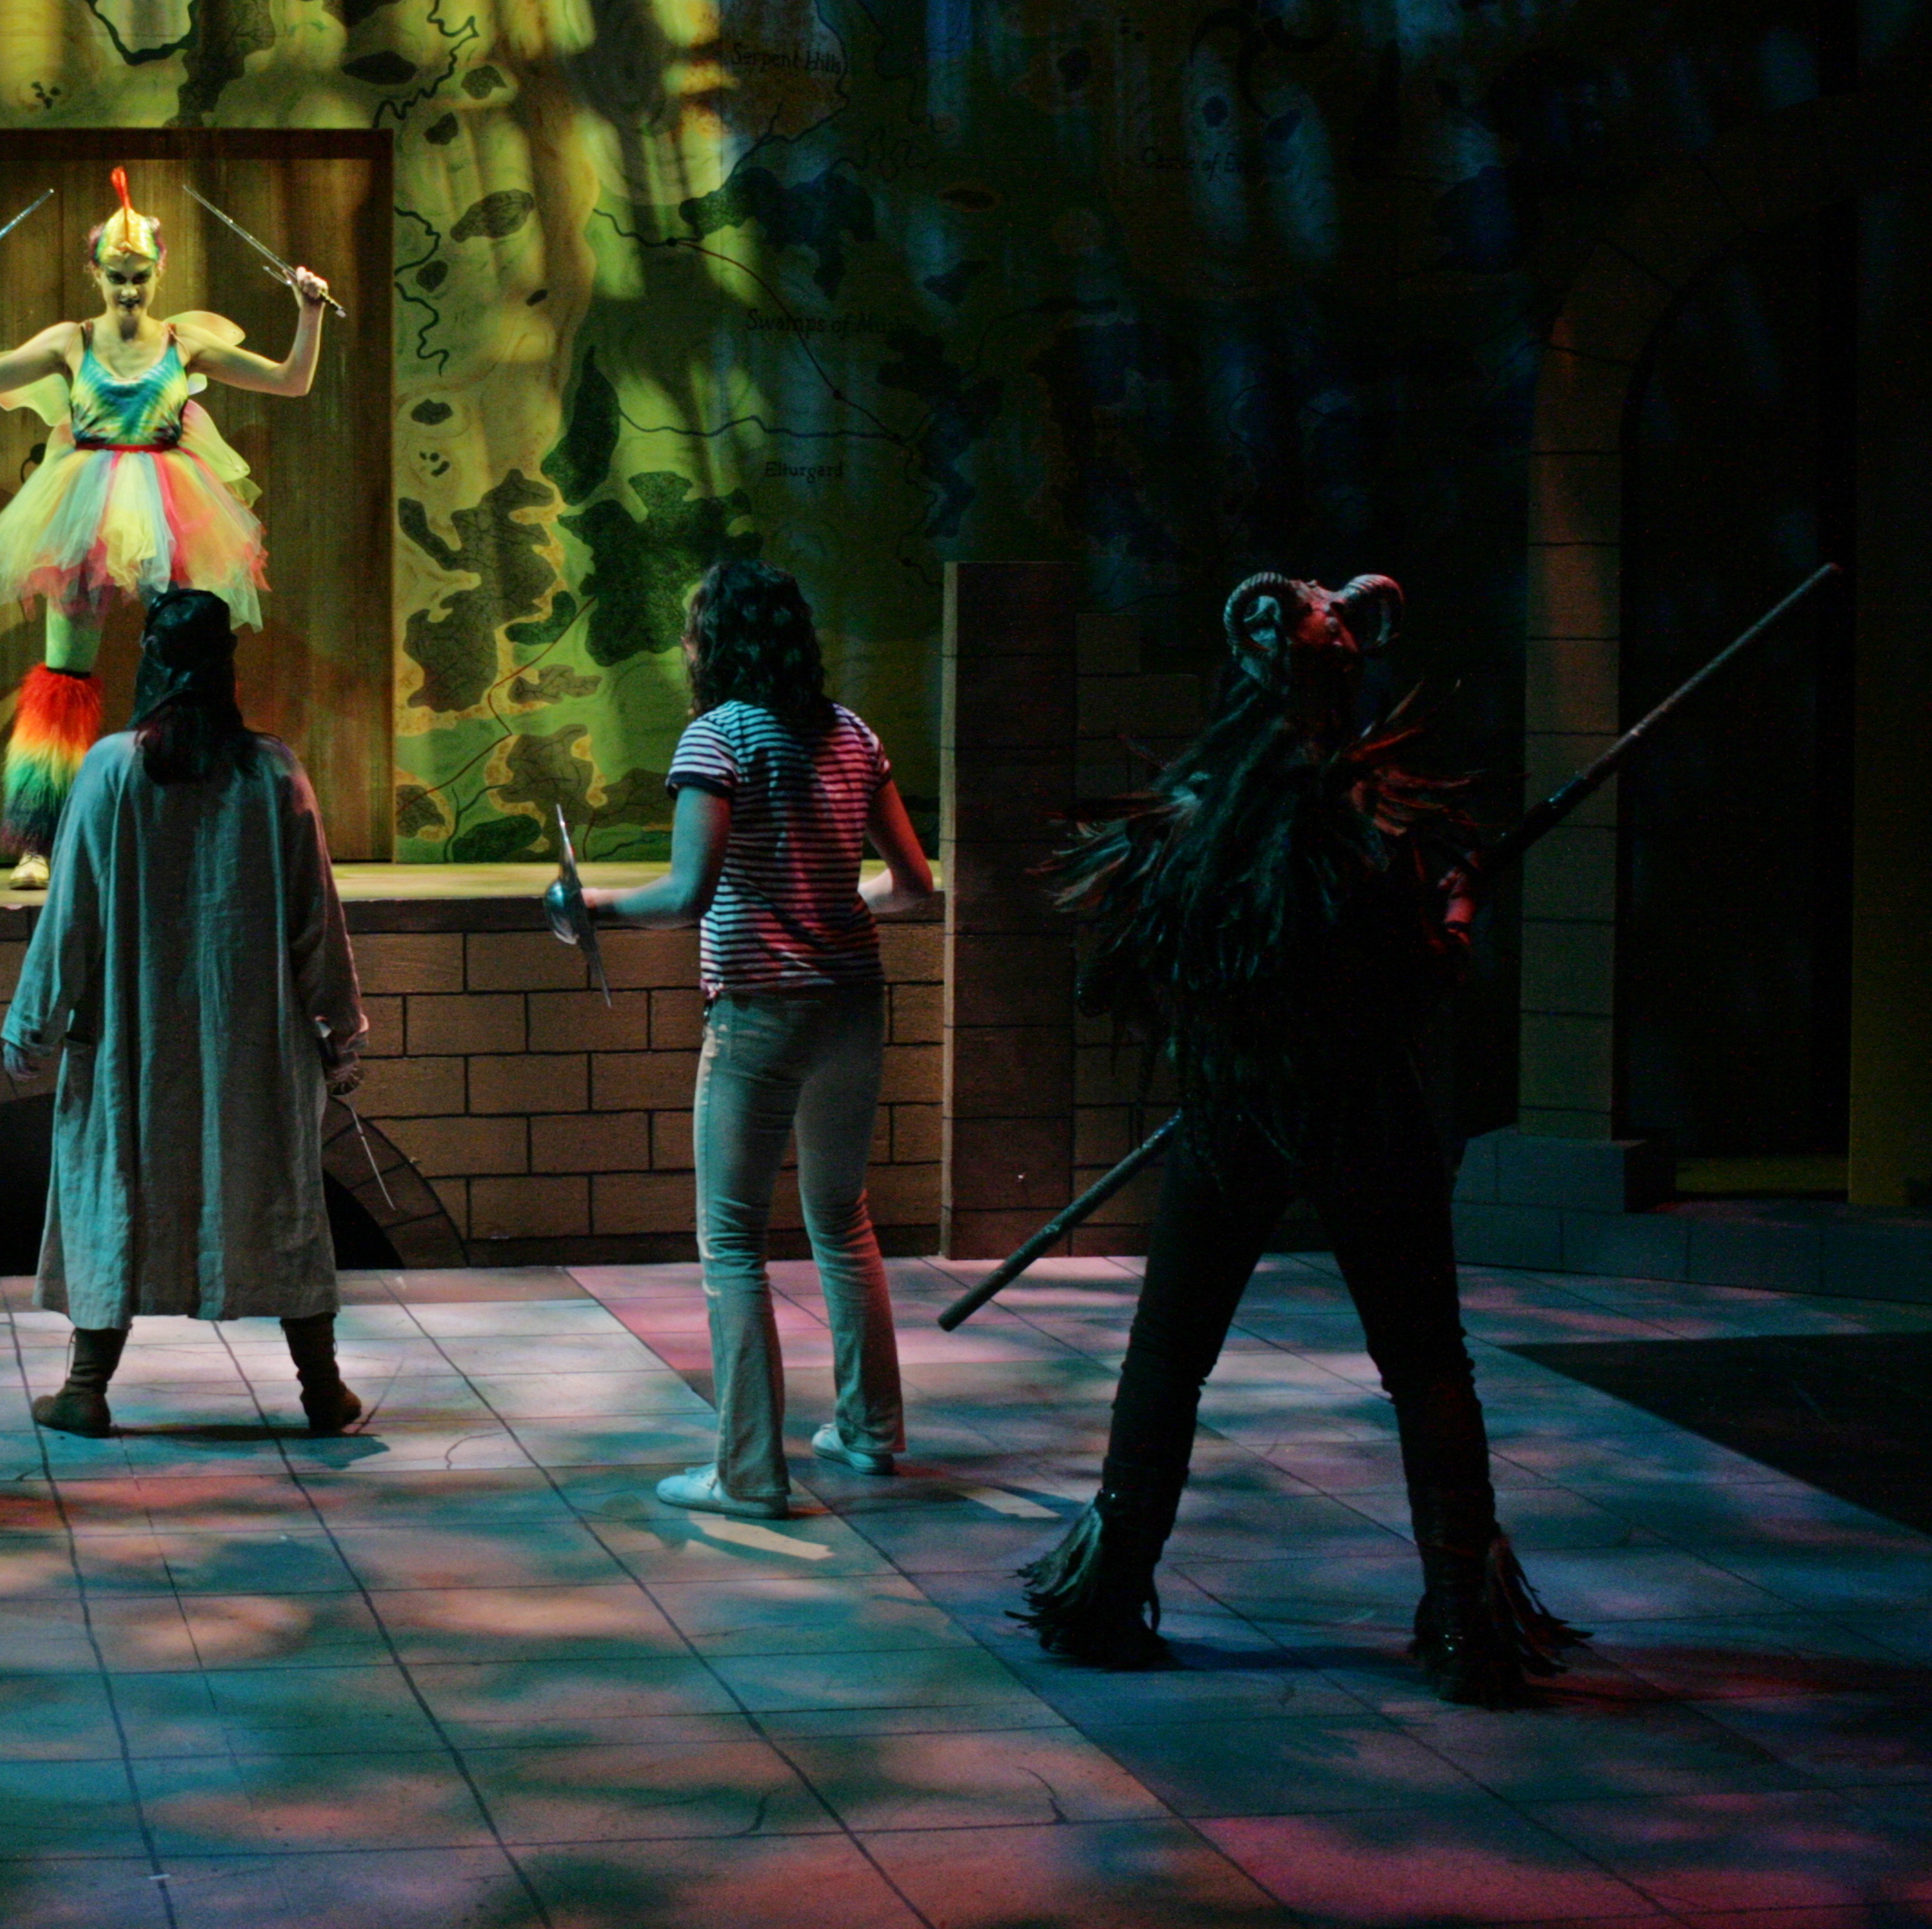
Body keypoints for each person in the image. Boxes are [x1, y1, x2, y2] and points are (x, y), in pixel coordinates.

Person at [1015, 572, 1577, 1707]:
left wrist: (1225, 1039)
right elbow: (1426, 979)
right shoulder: (1388, 822)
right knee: (1425, 1365)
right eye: (1324, 602)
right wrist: (1459, 910)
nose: (1331, 596)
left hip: (1237, 1119)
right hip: (1367, 1119)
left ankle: (1109, 1598)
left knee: (1170, 1359)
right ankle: (1464, 1624)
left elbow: (1126, 974)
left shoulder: (1195, 815)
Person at [546, 558, 933, 1518]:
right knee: (842, 1217)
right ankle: (870, 1431)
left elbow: (689, 894)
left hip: (760, 1006)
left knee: (730, 1240)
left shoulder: (718, 735)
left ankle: (749, 1474)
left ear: (714, 644)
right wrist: (832, 904)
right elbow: (915, 885)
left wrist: (591, 906)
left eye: (693, 631)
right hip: (853, 1001)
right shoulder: (853, 735)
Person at [0, 590, 373, 1437]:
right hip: (252, 1043)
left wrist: (33, 1020)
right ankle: (322, 1390)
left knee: (117, 1189)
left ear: (151, 663)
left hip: (132, 1042)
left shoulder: (111, 769)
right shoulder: (272, 771)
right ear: (225, 666)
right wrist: (337, 1026)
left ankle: (87, 1389)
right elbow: (316, 914)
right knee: (277, 1195)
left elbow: (71, 914)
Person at [0, 167, 330, 888]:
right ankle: (40, 840)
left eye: (138, 277)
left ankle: (194, 827)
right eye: (115, 278)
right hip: (81, 507)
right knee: (64, 672)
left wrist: (309, 311)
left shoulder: (182, 343)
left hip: (174, 507)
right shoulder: (71, 341)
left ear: (160, 270)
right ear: (95, 273)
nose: (128, 291)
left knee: (188, 666)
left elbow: (292, 379)